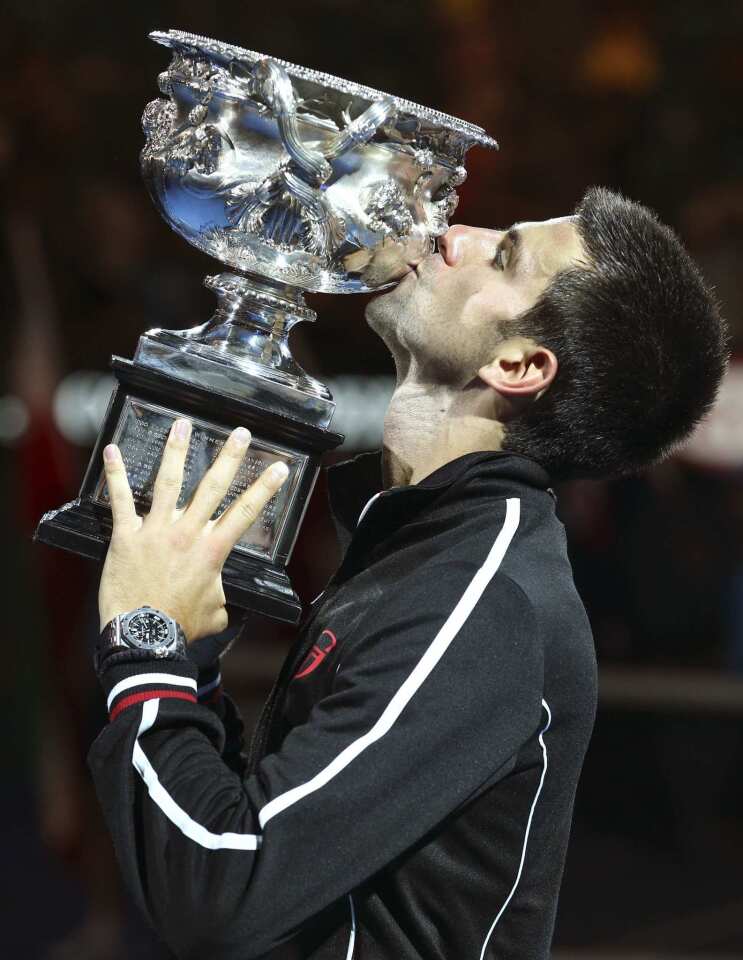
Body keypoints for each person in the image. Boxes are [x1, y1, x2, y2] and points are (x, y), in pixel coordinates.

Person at [87, 187, 728, 959]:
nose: (454, 233)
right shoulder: (422, 544)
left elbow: (223, 891)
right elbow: (271, 840)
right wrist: (188, 669)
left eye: (502, 254)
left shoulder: (482, 599)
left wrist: (144, 641)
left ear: (518, 364)